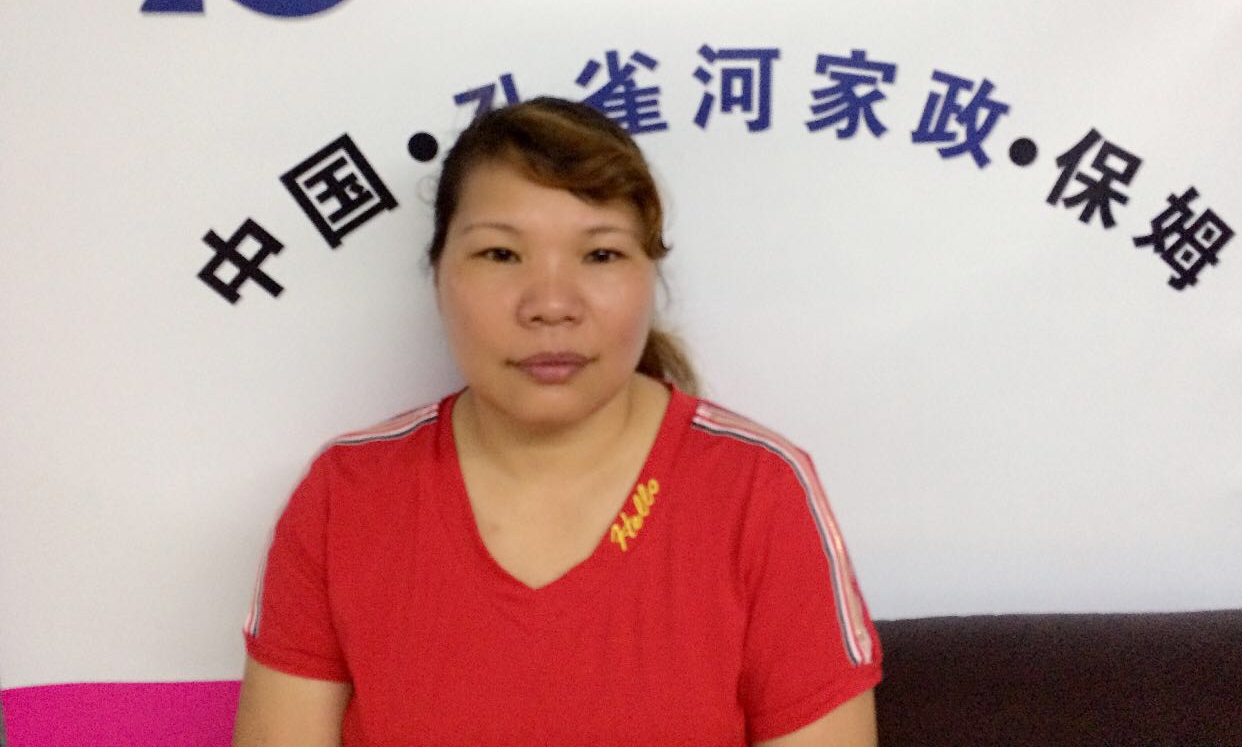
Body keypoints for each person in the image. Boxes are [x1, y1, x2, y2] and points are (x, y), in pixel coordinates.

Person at [232, 97, 882, 747]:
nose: (550, 305)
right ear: (438, 275)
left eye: (600, 255)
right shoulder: (346, 497)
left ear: (650, 279)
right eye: (500, 254)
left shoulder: (758, 491)